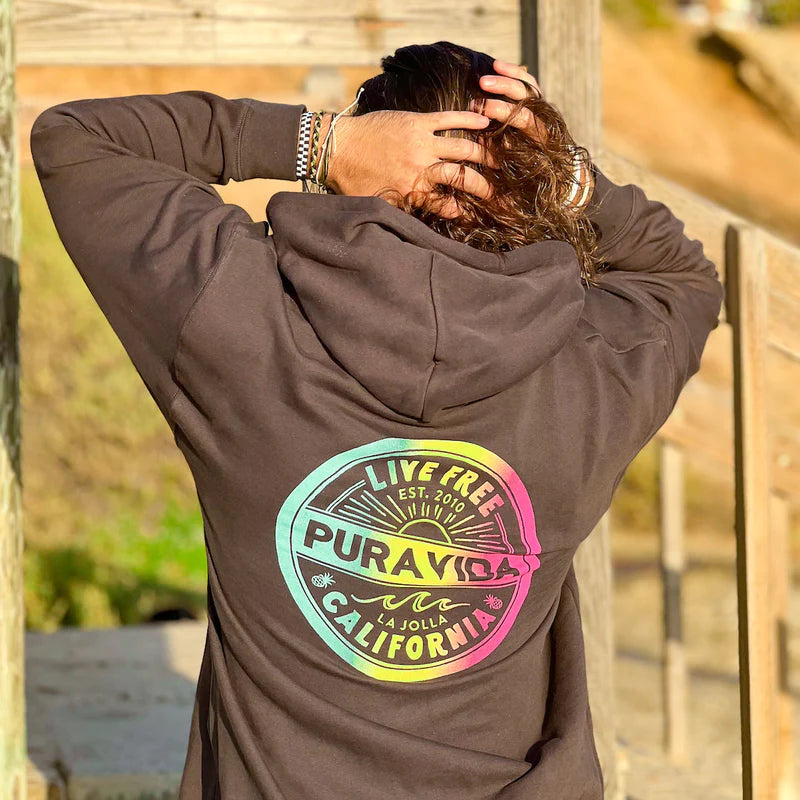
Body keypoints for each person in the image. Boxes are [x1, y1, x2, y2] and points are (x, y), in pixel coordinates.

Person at [30, 40, 724, 800]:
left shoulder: (238, 317)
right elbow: (682, 273)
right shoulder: (592, 367)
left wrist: (321, 144)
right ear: (526, 179)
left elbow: (77, 140)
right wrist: (572, 180)